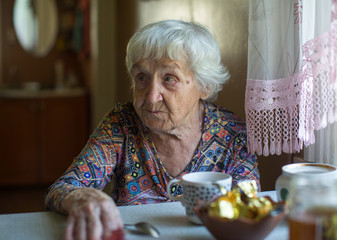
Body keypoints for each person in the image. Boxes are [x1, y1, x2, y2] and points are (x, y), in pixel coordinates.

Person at [45, 19, 260, 240]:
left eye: (169, 79)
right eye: (142, 78)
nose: (151, 96)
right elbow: (62, 188)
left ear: (204, 86)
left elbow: (250, 203)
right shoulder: (121, 124)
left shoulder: (233, 134)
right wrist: (82, 198)